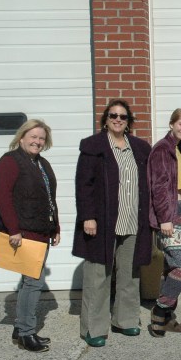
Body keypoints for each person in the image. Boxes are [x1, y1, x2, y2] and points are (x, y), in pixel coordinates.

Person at [73, 99, 152, 347]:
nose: (118, 119)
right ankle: (93, 328)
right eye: (113, 115)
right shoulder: (93, 146)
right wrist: (88, 216)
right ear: (105, 119)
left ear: (129, 121)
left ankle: (126, 321)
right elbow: (83, 185)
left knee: (130, 274)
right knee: (98, 277)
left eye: (123, 116)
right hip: (102, 222)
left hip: (132, 220)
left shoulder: (139, 148)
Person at [0, 119, 60, 352]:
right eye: (33, 137)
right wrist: (13, 229)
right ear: (21, 137)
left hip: (42, 231)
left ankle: (20, 327)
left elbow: (50, 199)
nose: (37, 141)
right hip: (24, 232)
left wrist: (56, 228)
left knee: (28, 281)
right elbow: (2, 198)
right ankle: (26, 333)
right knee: (34, 282)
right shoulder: (10, 161)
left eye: (41, 138)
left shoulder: (42, 164)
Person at [147, 108, 181, 336]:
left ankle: (167, 319)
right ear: (171, 124)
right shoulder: (161, 149)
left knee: (171, 267)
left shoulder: (178, 149)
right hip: (169, 215)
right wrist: (164, 219)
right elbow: (158, 187)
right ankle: (160, 310)